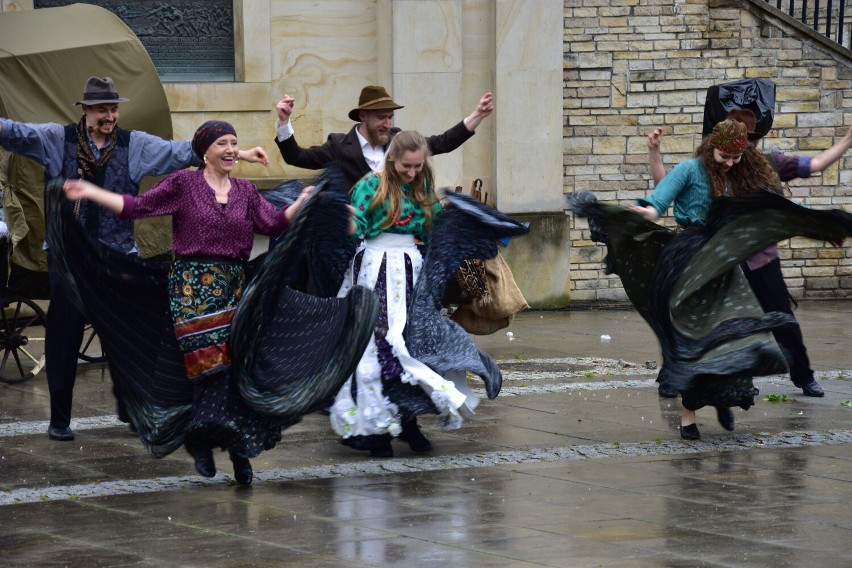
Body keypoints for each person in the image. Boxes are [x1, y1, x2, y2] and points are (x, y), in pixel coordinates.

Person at [0, 76, 268, 442]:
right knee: (63, 337)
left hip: (117, 258)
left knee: (127, 338)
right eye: (101, 110)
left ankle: (136, 409)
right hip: (70, 259)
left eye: (113, 109)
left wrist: (236, 152)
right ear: (85, 110)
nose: (109, 116)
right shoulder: (54, 139)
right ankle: (59, 418)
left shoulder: (134, 145)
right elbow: (13, 133)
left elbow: (184, 152)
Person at [63, 120, 312, 484]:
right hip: (191, 289)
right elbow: (135, 207)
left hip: (233, 286)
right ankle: (210, 445)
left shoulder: (245, 190)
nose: (230, 150)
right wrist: (90, 191)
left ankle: (228, 448)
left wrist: (303, 202)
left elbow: (273, 225)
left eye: (234, 142)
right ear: (204, 150)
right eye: (222, 143)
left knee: (233, 370)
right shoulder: (184, 184)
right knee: (208, 368)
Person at [648, 109, 852, 399]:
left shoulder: (767, 165)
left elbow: (814, 164)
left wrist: (846, 141)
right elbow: (666, 187)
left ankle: (804, 376)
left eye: (745, 141)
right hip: (718, 258)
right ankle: (682, 375)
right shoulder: (706, 168)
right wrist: (655, 153)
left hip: (758, 255)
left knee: (781, 315)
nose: (734, 155)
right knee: (704, 320)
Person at [632, 119, 791, 439]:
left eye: (736, 158)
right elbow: (660, 198)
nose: (730, 164)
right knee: (694, 339)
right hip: (690, 259)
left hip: (724, 263)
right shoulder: (690, 169)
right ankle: (688, 416)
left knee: (733, 334)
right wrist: (644, 212)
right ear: (711, 147)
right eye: (724, 157)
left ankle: (725, 400)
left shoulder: (737, 178)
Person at [329, 130, 476, 457]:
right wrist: (347, 221)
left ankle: (409, 422)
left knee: (415, 342)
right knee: (378, 346)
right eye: (406, 166)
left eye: (417, 166)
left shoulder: (421, 184)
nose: (412, 173)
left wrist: (454, 215)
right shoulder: (370, 186)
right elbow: (357, 229)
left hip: (412, 268)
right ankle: (376, 427)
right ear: (392, 158)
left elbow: (432, 227)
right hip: (375, 268)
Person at [274, 85, 494, 188]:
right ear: (363, 116)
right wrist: (284, 122)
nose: (388, 124)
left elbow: (441, 142)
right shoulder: (338, 146)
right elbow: (297, 157)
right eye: (381, 118)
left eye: (390, 117)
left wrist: (477, 115)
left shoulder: (399, 141)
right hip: (353, 240)